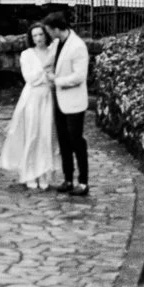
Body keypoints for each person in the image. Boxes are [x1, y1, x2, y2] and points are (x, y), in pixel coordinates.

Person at [0, 23, 59, 189]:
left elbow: (55, 76)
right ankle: (29, 172)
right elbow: (30, 78)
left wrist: (49, 75)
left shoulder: (52, 52)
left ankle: (43, 172)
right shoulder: (27, 55)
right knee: (32, 133)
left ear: (45, 35)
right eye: (35, 36)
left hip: (46, 96)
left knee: (46, 134)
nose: (38, 38)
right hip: (32, 97)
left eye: (41, 34)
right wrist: (45, 72)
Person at [43, 11, 89, 196]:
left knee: (76, 141)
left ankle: (84, 182)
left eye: (48, 30)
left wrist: (57, 80)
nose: (47, 34)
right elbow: (47, 63)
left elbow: (79, 76)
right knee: (63, 141)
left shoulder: (77, 46)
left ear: (56, 29)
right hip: (59, 100)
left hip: (74, 101)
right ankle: (68, 178)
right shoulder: (57, 44)